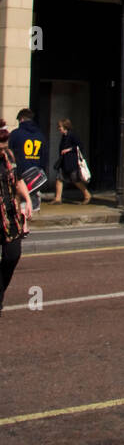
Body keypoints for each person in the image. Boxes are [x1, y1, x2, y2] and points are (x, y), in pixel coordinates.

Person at [0, 120, 32, 317]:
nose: (3, 150)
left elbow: (18, 179)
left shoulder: (9, 156)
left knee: (13, 255)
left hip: (10, 215)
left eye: (5, 146)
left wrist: (27, 200)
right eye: (0, 146)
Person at [8, 108, 47, 211]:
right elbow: (44, 157)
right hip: (35, 176)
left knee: (20, 210)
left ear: (21, 120)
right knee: (32, 209)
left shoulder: (15, 134)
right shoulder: (40, 135)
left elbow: (8, 154)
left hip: (20, 176)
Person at [53, 119, 91, 205]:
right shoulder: (64, 136)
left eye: (60, 127)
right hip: (64, 161)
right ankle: (57, 199)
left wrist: (68, 150)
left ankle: (87, 195)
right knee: (59, 178)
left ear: (65, 127)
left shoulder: (72, 135)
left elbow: (80, 146)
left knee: (75, 180)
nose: (59, 129)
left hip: (71, 162)